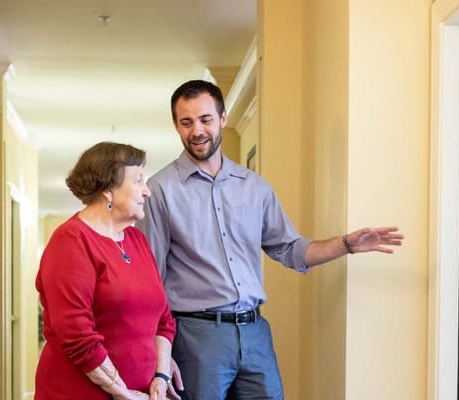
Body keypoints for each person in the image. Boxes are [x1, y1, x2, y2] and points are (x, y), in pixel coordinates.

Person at [138, 80, 404, 400]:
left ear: (222, 118)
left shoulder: (255, 187)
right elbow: (149, 280)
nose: (197, 130)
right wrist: (160, 359)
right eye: (186, 122)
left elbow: (291, 250)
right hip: (195, 337)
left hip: (255, 334)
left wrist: (346, 244)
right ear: (176, 126)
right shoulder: (160, 190)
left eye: (205, 119)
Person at [36, 142, 178, 400]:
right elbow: (77, 336)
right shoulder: (71, 240)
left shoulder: (136, 240)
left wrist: (160, 376)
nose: (146, 191)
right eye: (138, 180)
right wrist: (121, 392)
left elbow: (164, 321)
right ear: (109, 190)